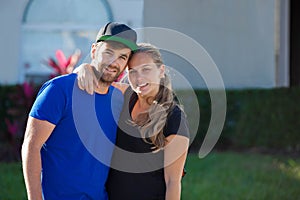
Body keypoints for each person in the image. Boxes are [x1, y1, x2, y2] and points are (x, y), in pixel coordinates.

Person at [21, 22, 138, 200]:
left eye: (123, 57)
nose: (115, 62)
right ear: (94, 51)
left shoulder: (119, 99)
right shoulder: (59, 90)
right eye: (108, 52)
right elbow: (31, 146)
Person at [77, 43, 190, 200]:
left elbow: (173, 182)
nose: (139, 78)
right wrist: (84, 68)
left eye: (146, 70)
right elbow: (97, 82)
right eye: (133, 72)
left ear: (161, 71)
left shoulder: (174, 117)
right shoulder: (124, 97)